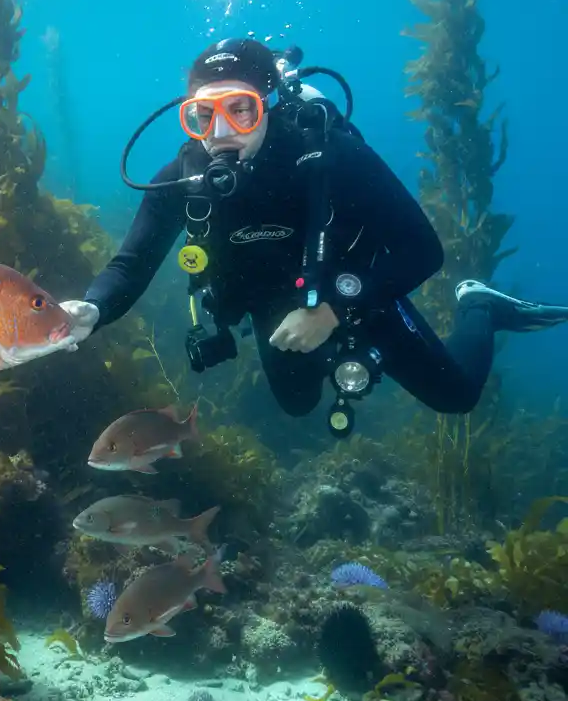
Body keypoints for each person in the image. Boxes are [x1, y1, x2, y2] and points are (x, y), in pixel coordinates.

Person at [59, 37, 568, 423]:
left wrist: (333, 310)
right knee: (298, 405)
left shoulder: (328, 156)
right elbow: (131, 264)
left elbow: (423, 250)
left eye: (240, 110)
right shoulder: (184, 179)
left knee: (457, 397)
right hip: (272, 309)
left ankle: (479, 305)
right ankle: (345, 357)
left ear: (269, 104)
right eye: (202, 115)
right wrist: (91, 309)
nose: (219, 133)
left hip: (354, 288)